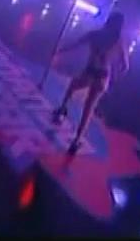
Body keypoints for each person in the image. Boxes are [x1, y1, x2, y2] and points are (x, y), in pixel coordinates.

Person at [51, 12, 129, 154]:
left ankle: (62, 109)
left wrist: (60, 50)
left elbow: (76, 43)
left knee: (72, 86)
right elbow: (125, 66)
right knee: (89, 109)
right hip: (103, 76)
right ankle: (77, 140)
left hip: (90, 71)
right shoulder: (119, 42)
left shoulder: (97, 34)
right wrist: (115, 76)